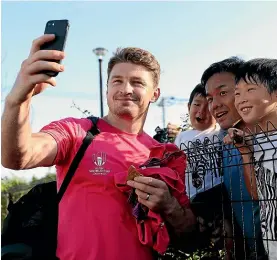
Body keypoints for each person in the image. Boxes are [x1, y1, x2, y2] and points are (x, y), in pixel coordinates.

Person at [1, 34, 195, 260]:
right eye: (117, 81)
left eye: (137, 82)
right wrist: (18, 99)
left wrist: (169, 205)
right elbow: (18, 157)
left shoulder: (162, 156)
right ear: (107, 90)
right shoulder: (77, 133)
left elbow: (189, 237)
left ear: (155, 94)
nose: (126, 89)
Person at [201, 56, 266, 258]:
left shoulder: (269, 136)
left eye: (222, 93)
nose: (215, 105)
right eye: (210, 98)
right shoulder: (224, 141)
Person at [224, 58, 277, 259]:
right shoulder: (257, 141)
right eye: (237, 93)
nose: (241, 99)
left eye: (250, 90)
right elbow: (257, 194)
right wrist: (246, 151)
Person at [174, 83, 220, 198]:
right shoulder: (181, 137)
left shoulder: (220, 133)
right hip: (190, 197)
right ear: (189, 107)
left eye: (208, 106)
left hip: (218, 196)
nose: (201, 111)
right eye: (197, 105)